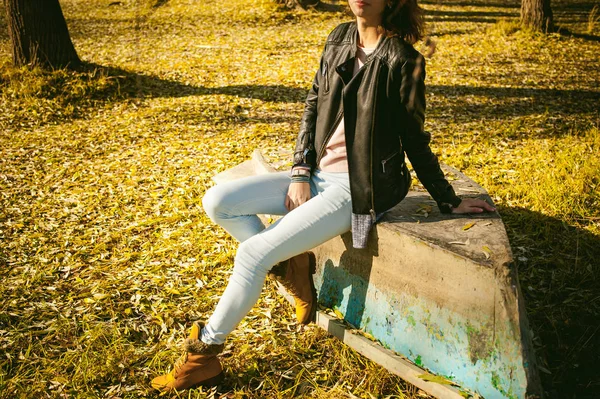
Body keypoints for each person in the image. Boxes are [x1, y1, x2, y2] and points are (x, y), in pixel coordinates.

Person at [151, 0, 495, 392]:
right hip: (315, 175)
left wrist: (447, 198)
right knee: (217, 201)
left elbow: (414, 138)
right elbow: (313, 104)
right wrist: (300, 171)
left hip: (359, 188)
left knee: (252, 254)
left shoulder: (404, 61)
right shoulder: (338, 38)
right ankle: (290, 265)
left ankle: (204, 354)